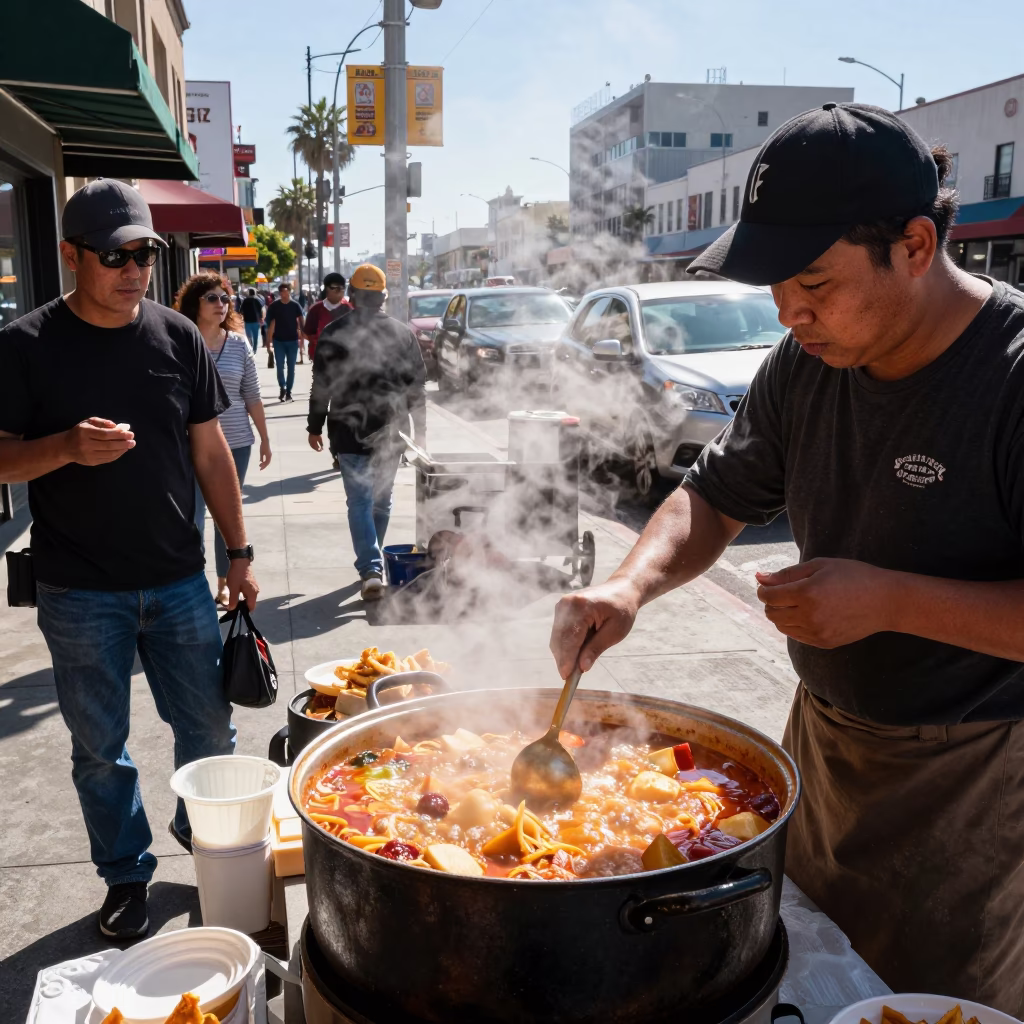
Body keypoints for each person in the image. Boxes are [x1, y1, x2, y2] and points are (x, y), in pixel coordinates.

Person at [550, 102, 1024, 1012]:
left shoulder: (1012, 373)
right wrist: (629, 583)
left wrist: (887, 600)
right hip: (824, 741)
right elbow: (716, 495)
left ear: (917, 245)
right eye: (775, 288)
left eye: (813, 281)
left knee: (920, 999)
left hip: (974, 776)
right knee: (802, 972)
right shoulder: (804, 361)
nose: (789, 312)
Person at [0, 179, 259, 939]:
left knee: (211, 729)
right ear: (70, 256)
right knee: (99, 751)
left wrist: (238, 553)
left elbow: (211, 453)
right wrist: (66, 449)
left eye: (145, 252)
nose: (135, 269)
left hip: (179, 580)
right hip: (80, 591)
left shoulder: (178, 336)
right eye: (116, 255)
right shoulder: (24, 346)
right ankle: (125, 875)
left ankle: (204, 836)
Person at [307, 264, 426, 600]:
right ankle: (370, 563)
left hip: (348, 429)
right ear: (383, 296)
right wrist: (421, 433)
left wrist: (314, 426)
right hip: (393, 430)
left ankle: (370, 567)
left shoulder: (334, 330)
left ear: (353, 295)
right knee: (382, 501)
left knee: (359, 501)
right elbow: (417, 388)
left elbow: (322, 385)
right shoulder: (403, 333)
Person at [175, 272, 272, 607]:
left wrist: (264, 438)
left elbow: (252, 395)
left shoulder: (239, 343)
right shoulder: (179, 342)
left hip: (236, 444)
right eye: (212, 298)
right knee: (191, 516)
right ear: (195, 304)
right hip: (190, 445)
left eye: (225, 298)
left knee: (224, 515)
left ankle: (223, 583)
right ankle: (191, 583)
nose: (221, 304)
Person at [264, 282, 305, 402]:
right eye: (282, 292)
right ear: (280, 293)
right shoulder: (274, 306)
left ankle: (289, 392)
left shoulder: (295, 305)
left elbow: (301, 320)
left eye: (286, 291)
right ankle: (282, 387)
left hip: (292, 341)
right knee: (280, 367)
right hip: (279, 341)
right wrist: (268, 341)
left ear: (290, 291)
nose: (284, 294)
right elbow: (270, 324)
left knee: (291, 367)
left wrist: (303, 334)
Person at [303, 272, 351, 365]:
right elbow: (308, 333)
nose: (340, 291)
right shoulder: (315, 310)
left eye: (342, 288)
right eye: (335, 288)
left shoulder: (349, 309)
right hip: (321, 359)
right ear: (326, 289)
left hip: (344, 361)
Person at [239, 287, 264, 353]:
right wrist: (261, 318)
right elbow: (260, 309)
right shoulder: (257, 300)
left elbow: (241, 310)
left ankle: (250, 347)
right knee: (255, 336)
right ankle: (254, 349)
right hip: (255, 320)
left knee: (249, 336)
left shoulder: (245, 300)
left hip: (247, 321)